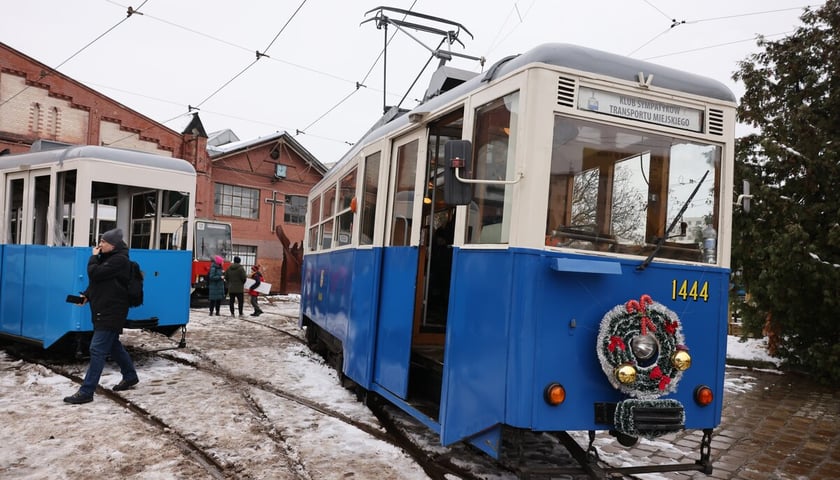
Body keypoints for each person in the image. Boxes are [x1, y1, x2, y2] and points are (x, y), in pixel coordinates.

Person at [64, 228, 139, 404]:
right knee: (113, 346)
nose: (99, 245)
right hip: (104, 309)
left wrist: (93, 257)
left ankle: (86, 391)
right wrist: (86, 296)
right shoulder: (108, 259)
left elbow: (95, 273)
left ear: (112, 245)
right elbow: (98, 282)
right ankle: (130, 376)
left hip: (112, 311)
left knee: (96, 349)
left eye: (103, 242)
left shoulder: (120, 260)